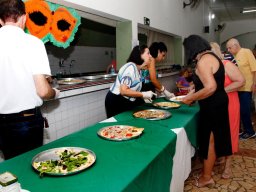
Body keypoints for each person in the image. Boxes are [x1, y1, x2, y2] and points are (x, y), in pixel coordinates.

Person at [0, 0, 60, 160]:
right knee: (30, 167)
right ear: (24, 18)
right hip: (25, 121)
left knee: (11, 167)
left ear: (0, 20)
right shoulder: (33, 43)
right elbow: (42, 90)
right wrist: (54, 93)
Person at [182, 35, 232, 187]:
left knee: (209, 141)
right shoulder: (211, 56)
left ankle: (207, 177)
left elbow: (210, 87)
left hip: (212, 105)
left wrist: (191, 98)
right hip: (218, 103)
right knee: (213, 139)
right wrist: (194, 95)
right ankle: (207, 172)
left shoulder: (203, 61)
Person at [211, 42, 245, 179]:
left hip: (230, 102)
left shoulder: (226, 65)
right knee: (218, 131)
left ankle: (228, 166)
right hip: (215, 104)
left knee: (230, 132)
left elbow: (241, 81)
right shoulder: (210, 67)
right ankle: (221, 156)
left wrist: (221, 91)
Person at [105, 45, 155, 118]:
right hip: (115, 101)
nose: (150, 56)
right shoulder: (130, 68)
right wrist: (143, 94)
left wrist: (144, 97)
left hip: (125, 100)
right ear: (140, 55)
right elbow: (123, 91)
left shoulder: (139, 70)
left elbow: (133, 88)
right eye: (148, 53)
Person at [226, 38, 256, 140]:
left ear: (235, 45)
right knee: (238, 110)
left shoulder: (246, 52)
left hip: (246, 87)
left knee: (245, 110)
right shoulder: (233, 56)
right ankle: (241, 130)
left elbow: (254, 69)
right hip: (237, 88)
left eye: (229, 48)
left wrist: (254, 84)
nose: (228, 50)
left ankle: (250, 132)